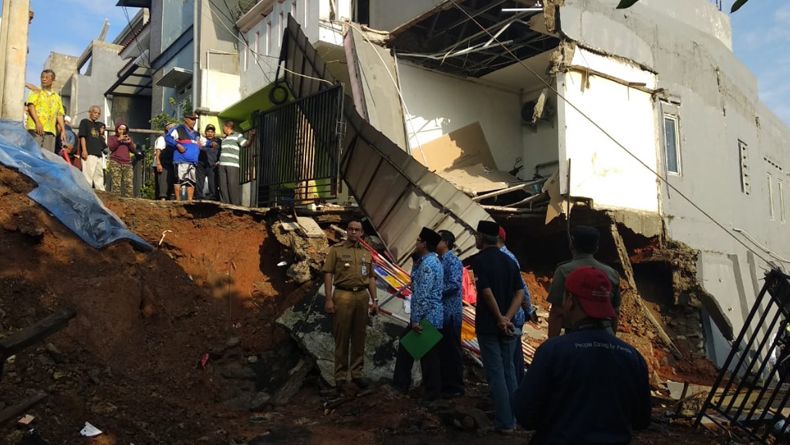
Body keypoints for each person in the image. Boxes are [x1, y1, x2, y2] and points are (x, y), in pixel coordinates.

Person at [513, 267, 651, 444]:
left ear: (570, 300)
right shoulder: (632, 357)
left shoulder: (553, 351)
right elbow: (642, 420)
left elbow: (525, 414)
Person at [468, 220, 524, 433]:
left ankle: (505, 422)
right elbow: (520, 293)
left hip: (490, 325)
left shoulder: (479, 261)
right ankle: (515, 418)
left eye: (476, 235)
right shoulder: (509, 261)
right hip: (508, 325)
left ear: (482, 237)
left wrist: (499, 317)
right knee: (509, 370)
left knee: (496, 372)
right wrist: (508, 317)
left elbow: (486, 291)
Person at [322, 220, 379, 391]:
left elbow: (370, 278)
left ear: (362, 233)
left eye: (357, 230)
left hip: (361, 296)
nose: (354, 232)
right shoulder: (336, 250)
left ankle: (357, 374)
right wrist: (328, 299)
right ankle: (340, 376)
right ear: (347, 231)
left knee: (359, 336)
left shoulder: (366, 254)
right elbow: (328, 274)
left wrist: (375, 300)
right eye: (351, 229)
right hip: (343, 294)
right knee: (342, 335)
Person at [393, 227, 444, 401]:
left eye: (418, 240)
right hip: (431, 316)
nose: (415, 243)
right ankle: (407, 387)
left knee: (426, 357)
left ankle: (413, 390)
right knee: (418, 353)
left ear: (424, 244)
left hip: (426, 317)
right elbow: (415, 285)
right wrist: (414, 266)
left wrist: (415, 320)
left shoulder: (428, 265)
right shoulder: (427, 262)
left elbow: (421, 294)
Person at [547, 225, 622, 338]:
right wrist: (611, 341)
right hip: (605, 334)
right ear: (596, 247)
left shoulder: (564, 271)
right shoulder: (612, 274)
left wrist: (552, 345)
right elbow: (615, 313)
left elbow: (557, 312)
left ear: (572, 244)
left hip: (575, 335)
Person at [497, 227, 538, 383]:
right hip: (509, 314)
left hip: (511, 314)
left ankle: (517, 388)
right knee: (512, 356)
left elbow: (521, 288)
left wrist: (529, 309)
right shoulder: (503, 257)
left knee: (512, 357)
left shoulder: (507, 258)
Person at [436, 230, 465, 397]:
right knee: (443, 350)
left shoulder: (452, 261)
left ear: (446, 242)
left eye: (438, 240)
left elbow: (454, 284)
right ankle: (443, 384)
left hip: (450, 313)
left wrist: (434, 291)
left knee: (452, 350)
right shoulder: (438, 260)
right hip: (440, 313)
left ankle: (455, 387)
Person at [25, 69, 66, 152]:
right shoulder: (36, 91)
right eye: (42, 77)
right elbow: (30, 106)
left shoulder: (57, 97)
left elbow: (59, 114)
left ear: (53, 81)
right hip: (35, 129)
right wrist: (37, 122)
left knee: (47, 157)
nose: (44, 79)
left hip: (50, 132)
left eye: (47, 77)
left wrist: (63, 130)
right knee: (34, 154)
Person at [165, 113, 201, 202]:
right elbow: (168, 138)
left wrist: (209, 144)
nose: (194, 121)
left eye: (195, 119)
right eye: (192, 119)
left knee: (191, 181)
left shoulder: (197, 133)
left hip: (193, 161)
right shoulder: (178, 129)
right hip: (180, 160)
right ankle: (178, 200)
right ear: (186, 119)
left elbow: (202, 143)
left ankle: (190, 200)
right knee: (178, 179)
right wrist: (177, 145)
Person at [218, 121, 255, 205]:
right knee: (223, 186)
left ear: (227, 127)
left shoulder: (237, 135)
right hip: (222, 165)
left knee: (232, 185)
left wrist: (251, 137)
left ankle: (235, 206)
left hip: (232, 165)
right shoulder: (224, 138)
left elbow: (246, 144)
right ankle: (225, 205)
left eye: (223, 127)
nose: (223, 129)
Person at [78, 105, 106, 191]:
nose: (96, 115)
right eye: (95, 112)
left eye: (98, 113)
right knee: (88, 176)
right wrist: (84, 150)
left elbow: (103, 127)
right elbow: (82, 136)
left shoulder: (98, 125)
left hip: (98, 153)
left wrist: (101, 133)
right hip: (89, 152)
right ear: (90, 112)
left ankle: (101, 194)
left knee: (99, 175)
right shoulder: (84, 122)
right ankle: (86, 193)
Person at [107, 121, 135, 197]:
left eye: (124, 129)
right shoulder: (112, 138)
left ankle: (129, 201)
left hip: (127, 163)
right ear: (117, 129)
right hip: (116, 161)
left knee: (129, 184)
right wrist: (118, 140)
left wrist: (130, 143)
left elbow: (133, 150)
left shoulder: (128, 138)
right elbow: (111, 147)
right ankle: (116, 201)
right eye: (120, 129)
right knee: (116, 184)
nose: (122, 131)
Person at [196, 124, 221, 200]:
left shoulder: (218, 141)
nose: (210, 133)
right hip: (201, 164)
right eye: (208, 131)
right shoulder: (202, 140)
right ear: (205, 132)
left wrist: (219, 161)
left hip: (212, 165)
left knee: (213, 182)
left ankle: (213, 197)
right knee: (200, 182)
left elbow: (221, 152)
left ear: (214, 133)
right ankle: (199, 196)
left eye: (212, 132)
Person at [153, 123, 177, 200]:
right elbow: (158, 151)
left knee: (169, 182)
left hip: (169, 164)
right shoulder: (162, 139)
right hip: (162, 164)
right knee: (162, 183)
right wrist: (158, 163)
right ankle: (162, 199)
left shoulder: (173, 140)